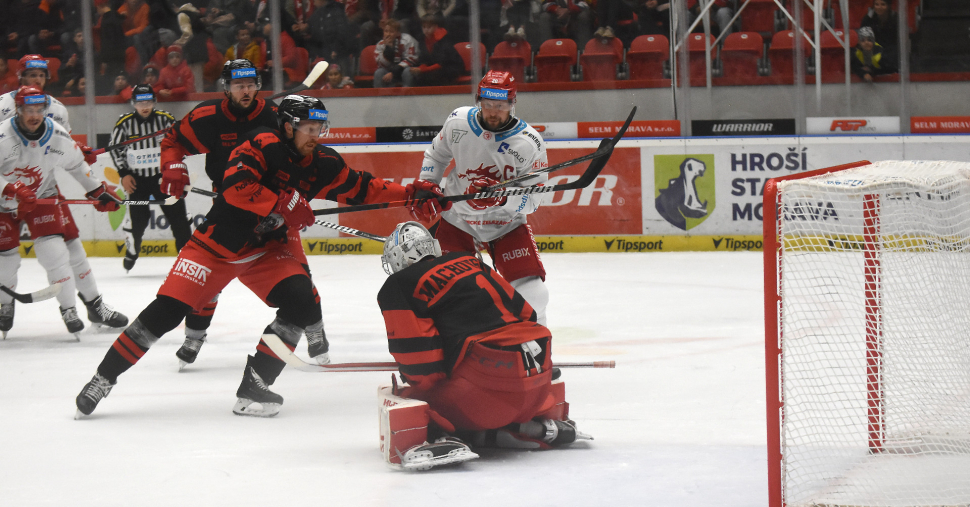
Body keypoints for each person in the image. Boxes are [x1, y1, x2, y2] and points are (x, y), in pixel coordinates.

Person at [74, 96, 446, 419]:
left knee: (302, 303)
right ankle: (102, 379)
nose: (316, 135)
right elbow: (237, 189)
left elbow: (364, 187)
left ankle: (255, 384)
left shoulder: (324, 162)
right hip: (216, 246)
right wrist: (284, 203)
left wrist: (411, 194)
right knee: (165, 313)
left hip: (268, 250)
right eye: (307, 127)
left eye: (320, 127)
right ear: (286, 126)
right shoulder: (260, 144)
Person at [376, 222, 590, 471]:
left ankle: (437, 438)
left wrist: (415, 382)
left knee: (403, 395)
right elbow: (527, 313)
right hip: (537, 389)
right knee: (479, 381)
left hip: (480, 398)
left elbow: (420, 364)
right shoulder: (472, 261)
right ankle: (529, 428)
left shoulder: (399, 285)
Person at [157, 58, 301, 368]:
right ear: (227, 88)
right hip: (228, 208)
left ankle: (314, 330)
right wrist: (173, 165)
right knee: (209, 274)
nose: (246, 90)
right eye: (239, 85)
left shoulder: (273, 116)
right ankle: (194, 336)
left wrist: (292, 195)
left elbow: (298, 155)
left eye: (250, 85)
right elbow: (172, 142)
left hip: (270, 205)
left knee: (297, 270)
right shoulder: (207, 116)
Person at [416, 70, 551, 325]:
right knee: (447, 294)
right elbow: (436, 156)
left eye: (500, 106)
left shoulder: (529, 142)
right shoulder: (458, 121)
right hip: (458, 220)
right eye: (487, 104)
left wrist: (502, 198)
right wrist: (427, 185)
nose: (492, 112)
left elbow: (534, 200)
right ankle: (453, 347)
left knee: (534, 296)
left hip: (505, 223)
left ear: (512, 103)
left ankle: (539, 353)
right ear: (479, 100)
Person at [0, 86, 129, 339]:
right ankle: (5, 304)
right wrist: (11, 189)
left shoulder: (57, 135)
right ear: (18, 110)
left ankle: (69, 309)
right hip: (3, 203)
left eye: (39, 110)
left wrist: (98, 192)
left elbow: (77, 166)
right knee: (5, 262)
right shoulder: (3, 137)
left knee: (56, 252)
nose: (35, 115)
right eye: (29, 110)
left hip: (41, 197)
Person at [109, 84, 189, 273]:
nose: (144, 106)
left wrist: (173, 168)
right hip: (137, 180)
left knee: (179, 219)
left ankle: (187, 259)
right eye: (139, 102)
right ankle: (132, 252)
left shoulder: (166, 120)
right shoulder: (125, 123)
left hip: (164, 177)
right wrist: (123, 174)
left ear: (154, 101)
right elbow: (114, 149)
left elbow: (181, 145)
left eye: (148, 101)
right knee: (139, 221)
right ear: (133, 103)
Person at [0, 55, 72, 133]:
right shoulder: (2, 104)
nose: (38, 80)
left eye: (42, 75)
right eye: (33, 75)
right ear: (21, 77)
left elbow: (66, 141)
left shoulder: (58, 108)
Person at [409, 14, 464, 87]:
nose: (426, 30)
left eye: (429, 27)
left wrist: (423, 70)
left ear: (436, 27)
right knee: (417, 77)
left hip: (450, 67)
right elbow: (423, 58)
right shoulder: (422, 39)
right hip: (433, 67)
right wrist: (421, 67)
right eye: (424, 27)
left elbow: (442, 62)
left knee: (432, 76)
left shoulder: (443, 39)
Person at [373, 18, 419, 88]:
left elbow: (412, 59)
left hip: (403, 70)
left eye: (391, 32)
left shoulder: (408, 40)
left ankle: (408, 96)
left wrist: (393, 73)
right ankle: (379, 97)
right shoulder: (380, 44)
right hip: (389, 72)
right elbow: (381, 64)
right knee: (379, 73)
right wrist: (388, 49)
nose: (388, 34)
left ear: (398, 33)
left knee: (408, 72)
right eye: (386, 31)